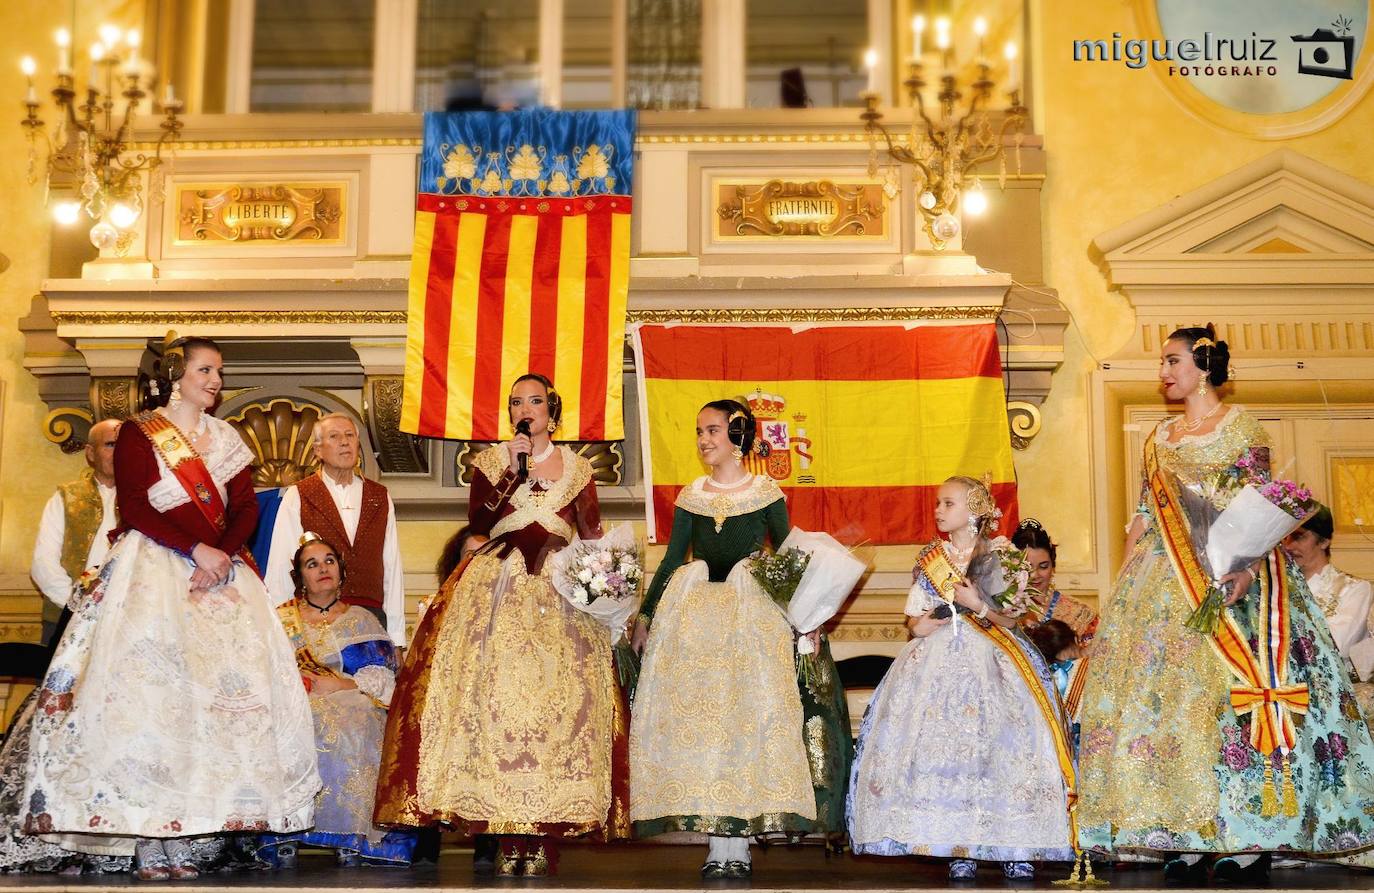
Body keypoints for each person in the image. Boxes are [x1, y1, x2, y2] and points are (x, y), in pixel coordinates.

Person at [1076, 325, 1374, 882]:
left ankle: (1249, 836)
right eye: (1162, 362)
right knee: (1170, 709)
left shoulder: (1243, 429)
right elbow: (1144, 513)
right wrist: (1122, 582)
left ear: (1204, 365)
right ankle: (1185, 833)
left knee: (1231, 705)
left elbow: (1257, 510)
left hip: (1234, 580)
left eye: (1172, 360)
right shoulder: (1158, 435)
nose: (1163, 371)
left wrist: (1245, 570)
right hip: (1162, 582)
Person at [21, 335, 320, 881]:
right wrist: (195, 549)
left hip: (222, 578)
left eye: (219, 372)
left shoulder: (226, 436)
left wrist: (222, 554)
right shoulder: (140, 433)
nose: (216, 381)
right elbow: (135, 506)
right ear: (177, 375)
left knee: (211, 710)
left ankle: (184, 830)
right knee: (150, 706)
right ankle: (145, 838)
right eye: (206, 370)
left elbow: (247, 508)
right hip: (154, 571)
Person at [373, 373, 628, 877]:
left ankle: (544, 835)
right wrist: (512, 471)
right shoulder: (490, 463)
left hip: (561, 596)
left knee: (556, 714)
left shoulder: (578, 469)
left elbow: (593, 534)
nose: (524, 409)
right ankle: (505, 833)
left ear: (551, 410)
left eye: (533, 401)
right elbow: (481, 524)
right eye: (515, 402)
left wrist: (606, 592)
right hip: (498, 590)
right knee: (497, 710)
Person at [629, 399, 850, 878]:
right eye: (699, 432)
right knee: (709, 729)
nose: (704, 440)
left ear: (738, 435)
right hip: (698, 621)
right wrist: (645, 616)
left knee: (745, 723)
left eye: (712, 431)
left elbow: (788, 552)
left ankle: (741, 843)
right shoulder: (691, 495)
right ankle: (715, 843)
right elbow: (671, 561)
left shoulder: (766, 492)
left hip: (751, 620)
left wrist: (806, 612)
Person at [847, 476, 1075, 880]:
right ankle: (958, 843)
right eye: (938, 503)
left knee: (1004, 750)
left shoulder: (1002, 554)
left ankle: (1014, 843)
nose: (938, 510)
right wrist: (940, 614)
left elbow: (1011, 618)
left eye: (947, 503)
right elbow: (914, 624)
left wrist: (977, 605)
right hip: (940, 663)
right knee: (948, 753)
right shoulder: (931, 559)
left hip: (996, 660)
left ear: (974, 508)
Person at [258, 534, 417, 868]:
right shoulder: (279, 621)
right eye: (311, 564)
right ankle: (284, 833)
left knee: (357, 721)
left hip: (351, 698)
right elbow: (262, 670)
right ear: (300, 577)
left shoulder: (362, 619)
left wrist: (339, 684)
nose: (322, 569)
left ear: (342, 573)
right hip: (294, 702)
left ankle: (352, 833)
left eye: (329, 561)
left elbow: (385, 679)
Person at [266, 414, 407, 646]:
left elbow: (392, 568)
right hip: (316, 624)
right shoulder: (298, 495)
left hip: (371, 622)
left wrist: (397, 639)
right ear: (318, 450)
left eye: (350, 435)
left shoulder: (380, 496)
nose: (344, 442)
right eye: (335, 436)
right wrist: (286, 637)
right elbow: (281, 568)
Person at [30, 418, 122, 648]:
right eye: (111, 445)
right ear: (90, 453)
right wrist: (79, 606)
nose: (120, 452)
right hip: (67, 617)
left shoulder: (147, 501)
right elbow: (43, 564)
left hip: (124, 621)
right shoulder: (67, 497)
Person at [1283, 506, 1374, 679]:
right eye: (1284, 538)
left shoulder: (1354, 589)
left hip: (1332, 686)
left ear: (1324, 541)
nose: (1288, 546)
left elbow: (1337, 645)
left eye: (1298, 537)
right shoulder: (1277, 589)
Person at [1012, 518, 1098, 645]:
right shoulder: (1002, 610)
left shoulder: (1081, 614)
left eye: (1043, 566)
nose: (1035, 575)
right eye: (1027, 568)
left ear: (1053, 566)